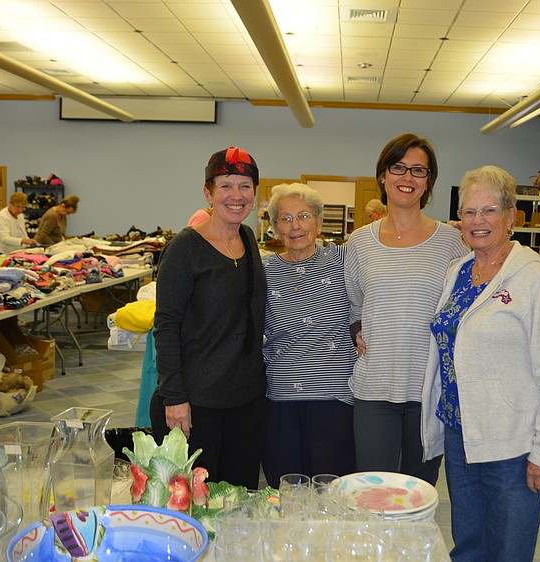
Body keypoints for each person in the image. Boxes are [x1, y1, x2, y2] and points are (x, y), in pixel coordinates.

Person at [422, 165, 540, 561]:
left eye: (489, 210)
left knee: (508, 550)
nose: (477, 221)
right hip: (461, 435)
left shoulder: (533, 280)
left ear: (511, 216)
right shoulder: (458, 271)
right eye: (469, 212)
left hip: (513, 445)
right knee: (469, 545)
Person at [344, 133, 470, 485]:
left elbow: (464, 308)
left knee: (419, 492)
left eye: (418, 170)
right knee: (372, 491)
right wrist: (357, 328)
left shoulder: (452, 242)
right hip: (374, 387)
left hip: (428, 389)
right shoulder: (359, 242)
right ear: (383, 176)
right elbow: (355, 300)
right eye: (398, 167)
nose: (407, 177)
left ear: (428, 182)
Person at [150, 146, 266, 489]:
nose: (236, 195)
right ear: (208, 192)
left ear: (255, 193)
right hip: (196, 403)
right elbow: (166, 326)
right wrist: (175, 398)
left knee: (240, 498)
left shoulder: (248, 238)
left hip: (246, 400)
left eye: (245, 186)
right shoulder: (184, 249)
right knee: (195, 506)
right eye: (225, 185)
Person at [262, 183, 357, 487]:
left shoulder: (342, 259)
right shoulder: (264, 270)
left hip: (335, 398)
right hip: (280, 398)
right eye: (285, 219)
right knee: (286, 491)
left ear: (319, 220)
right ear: (275, 227)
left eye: (303, 216)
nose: (295, 226)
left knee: (332, 492)